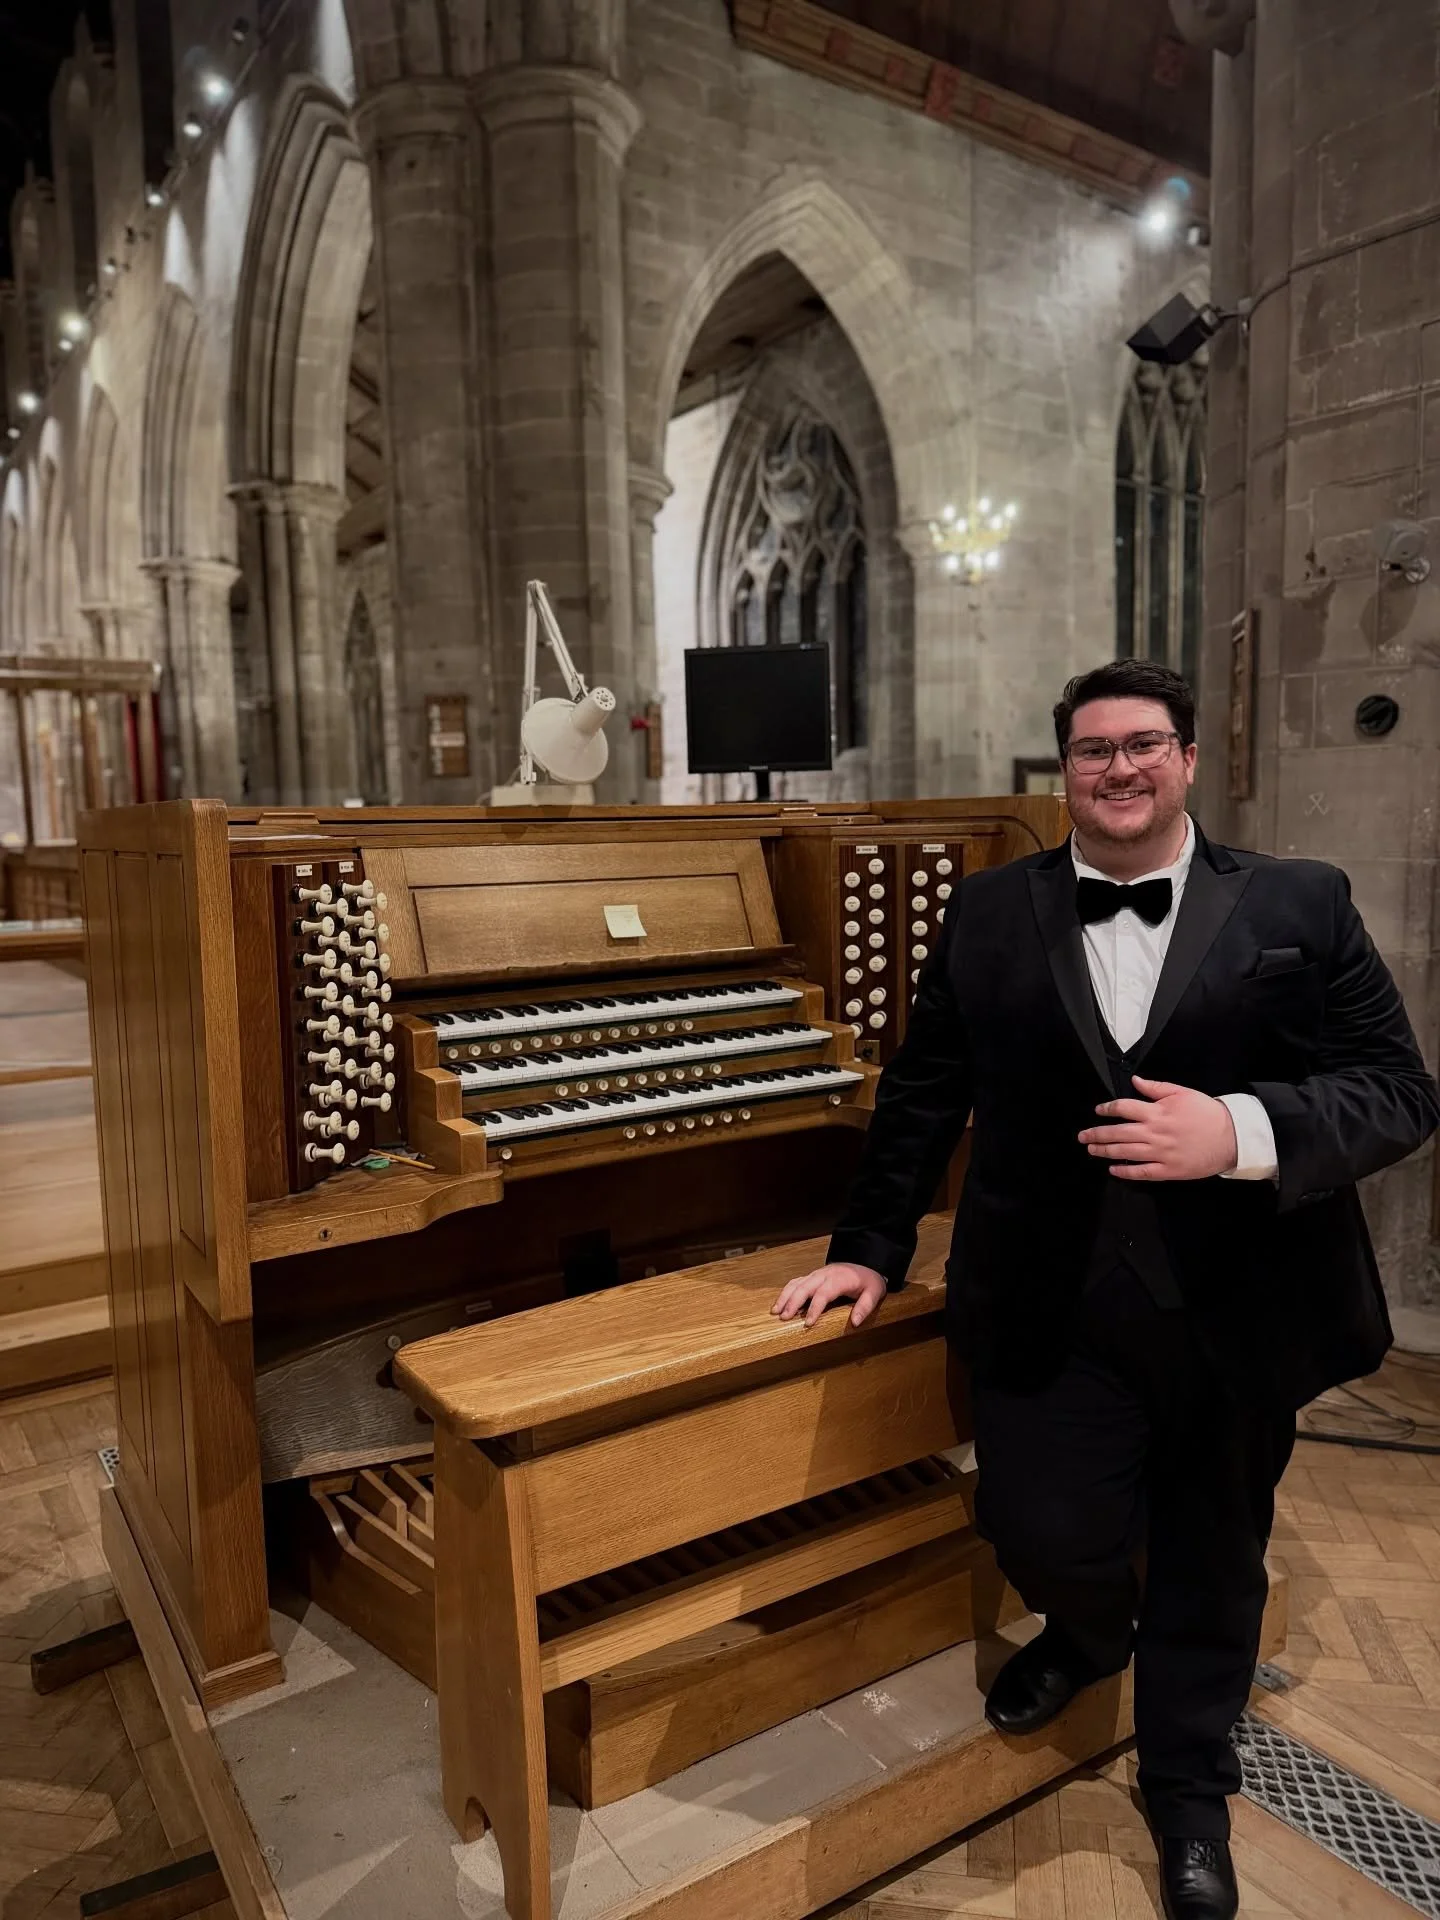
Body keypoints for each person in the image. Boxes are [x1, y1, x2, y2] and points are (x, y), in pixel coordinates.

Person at [773, 660, 1440, 1920]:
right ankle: (1084, 1636)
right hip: (1045, 1296)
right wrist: (869, 1243)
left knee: (1214, 1557)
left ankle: (1190, 1789)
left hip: (1241, 1307)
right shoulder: (985, 914)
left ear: (1189, 760)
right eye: (1093, 750)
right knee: (1037, 1525)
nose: (1119, 768)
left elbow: (1402, 1094)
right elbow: (924, 1093)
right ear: (1063, 771)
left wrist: (1240, 1129)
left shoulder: (1300, 900)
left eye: (1144, 745)